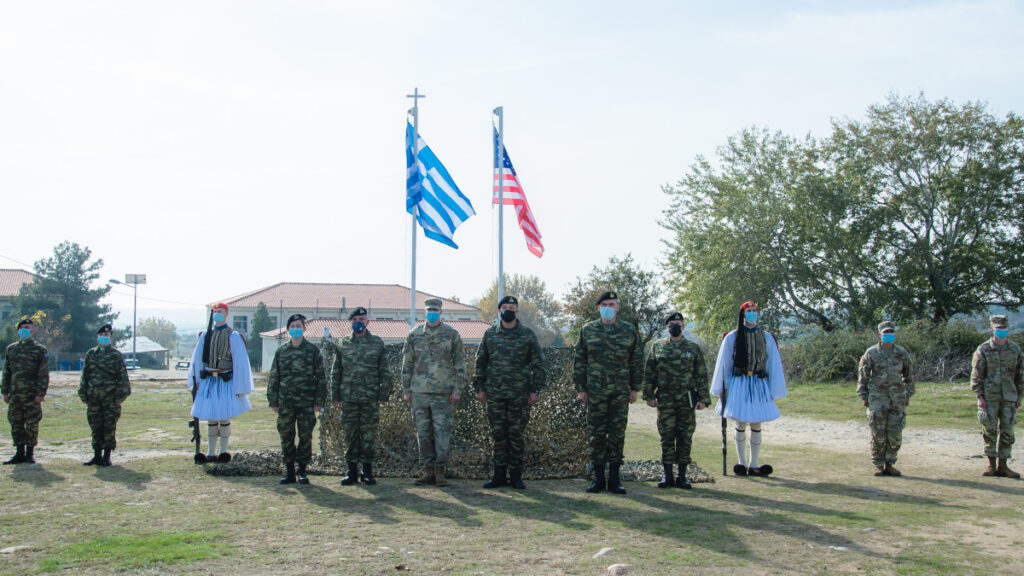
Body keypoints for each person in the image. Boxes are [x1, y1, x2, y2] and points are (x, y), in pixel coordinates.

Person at [473, 295, 546, 489]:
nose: (508, 311)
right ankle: (498, 475)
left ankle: (515, 476)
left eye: (512, 308)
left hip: (519, 395)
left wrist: (535, 390)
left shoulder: (527, 335)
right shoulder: (490, 335)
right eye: (505, 307)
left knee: (516, 436)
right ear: (499, 311)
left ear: (517, 312)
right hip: (495, 395)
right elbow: (480, 363)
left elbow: (539, 365)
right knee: (498, 436)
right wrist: (479, 388)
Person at [573, 291, 641, 494]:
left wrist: (635, 388)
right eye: (604, 304)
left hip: (620, 392)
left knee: (617, 435)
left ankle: (614, 479)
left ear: (618, 307)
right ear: (598, 308)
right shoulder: (588, 330)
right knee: (596, 435)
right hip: (595, 392)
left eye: (612, 304)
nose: (608, 307)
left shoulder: (629, 330)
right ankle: (598, 479)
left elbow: (636, 361)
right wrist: (581, 388)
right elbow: (580, 361)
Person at [711, 301, 787, 477]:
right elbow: (725, 363)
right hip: (739, 381)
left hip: (758, 382)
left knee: (756, 422)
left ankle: (754, 464)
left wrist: (774, 389)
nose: (752, 314)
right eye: (749, 311)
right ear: (743, 315)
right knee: (740, 421)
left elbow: (772, 363)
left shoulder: (766, 337)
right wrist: (723, 387)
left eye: (754, 311)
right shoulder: (732, 337)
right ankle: (741, 463)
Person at [401, 297, 467, 487]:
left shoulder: (451, 335)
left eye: (435, 310)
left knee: (442, 433)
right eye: (429, 309)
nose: (432, 312)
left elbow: (460, 364)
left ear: (441, 312)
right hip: (419, 393)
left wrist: (458, 389)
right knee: (423, 433)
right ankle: (427, 471)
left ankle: (440, 472)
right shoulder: (414, 335)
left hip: (443, 394)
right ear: (424, 312)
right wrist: (407, 389)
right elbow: (407, 364)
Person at [643, 312, 709, 489]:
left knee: (685, 437)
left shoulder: (693, 348)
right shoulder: (658, 347)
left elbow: (701, 375)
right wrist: (648, 395)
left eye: (678, 323)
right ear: (666, 327)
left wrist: (703, 398)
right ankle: (667, 476)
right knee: (666, 437)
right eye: (672, 323)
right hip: (665, 400)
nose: (675, 326)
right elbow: (650, 373)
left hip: (686, 400)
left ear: (683, 326)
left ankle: (682, 476)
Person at [331, 307, 390, 486]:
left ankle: (367, 472)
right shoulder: (342, 344)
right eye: (355, 319)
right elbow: (336, 372)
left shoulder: (377, 343)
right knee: (350, 435)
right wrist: (336, 396)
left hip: (370, 398)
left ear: (368, 322)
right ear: (350, 322)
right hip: (348, 397)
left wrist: (383, 393)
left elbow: (385, 371)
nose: (359, 322)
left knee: (368, 435)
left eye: (362, 319)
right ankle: (351, 471)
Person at [188, 302, 254, 462]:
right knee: (211, 417)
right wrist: (195, 380)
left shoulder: (234, 336)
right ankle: (211, 452)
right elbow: (197, 359)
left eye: (220, 311)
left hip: (225, 381)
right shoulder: (205, 335)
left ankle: (223, 451)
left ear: (226, 314)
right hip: (209, 381)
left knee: (224, 417)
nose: (217, 314)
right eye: (215, 311)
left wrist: (240, 385)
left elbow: (240, 362)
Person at [268, 314, 326, 485]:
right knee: (286, 435)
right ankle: (289, 471)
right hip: (285, 401)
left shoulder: (312, 350)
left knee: (305, 435)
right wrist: (273, 400)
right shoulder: (281, 351)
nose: (296, 328)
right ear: (288, 329)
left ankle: (302, 471)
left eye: (299, 325)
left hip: (306, 402)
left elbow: (320, 377)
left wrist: (318, 401)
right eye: (292, 326)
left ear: (304, 328)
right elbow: (274, 376)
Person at [857, 321, 914, 476]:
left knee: (895, 433)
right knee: (878, 432)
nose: (889, 335)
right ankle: (878, 464)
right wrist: (863, 396)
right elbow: (863, 376)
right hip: (877, 398)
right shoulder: (871, 353)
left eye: (891, 332)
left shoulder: (902, 353)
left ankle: (890, 464)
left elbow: (909, 377)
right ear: (879, 335)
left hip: (897, 399)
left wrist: (907, 395)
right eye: (885, 332)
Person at [972, 314, 1024, 478]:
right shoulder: (984, 349)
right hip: (989, 397)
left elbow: (1020, 375)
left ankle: (1003, 466)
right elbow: (977, 375)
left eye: (1004, 328)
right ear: (992, 329)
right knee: (990, 431)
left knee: (1008, 431)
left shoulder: (1015, 350)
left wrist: (1019, 396)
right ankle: (991, 465)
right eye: (998, 328)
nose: (1001, 331)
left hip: (1009, 397)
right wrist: (979, 397)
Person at [78, 323, 131, 466]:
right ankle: (96, 455)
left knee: (109, 426)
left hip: (110, 399)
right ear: (97, 337)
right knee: (95, 425)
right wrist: (83, 394)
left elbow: (123, 379)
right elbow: (85, 375)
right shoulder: (91, 354)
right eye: (101, 336)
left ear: (111, 337)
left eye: (106, 336)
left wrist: (120, 398)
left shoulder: (116, 355)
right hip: (93, 397)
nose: (103, 338)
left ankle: (106, 456)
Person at [2, 318, 48, 465]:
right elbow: (7, 371)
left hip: (31, 394)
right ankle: (19, 453)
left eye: (27, 327)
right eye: (21, 327)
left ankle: (30, 454)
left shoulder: (40, 350)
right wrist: (5, 391)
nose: (23, 329)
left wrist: (40, 393)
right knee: (16, 422)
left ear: (33, 330)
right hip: (15, 394)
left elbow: (43, 373)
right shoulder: (11, 349)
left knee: (32, 423)